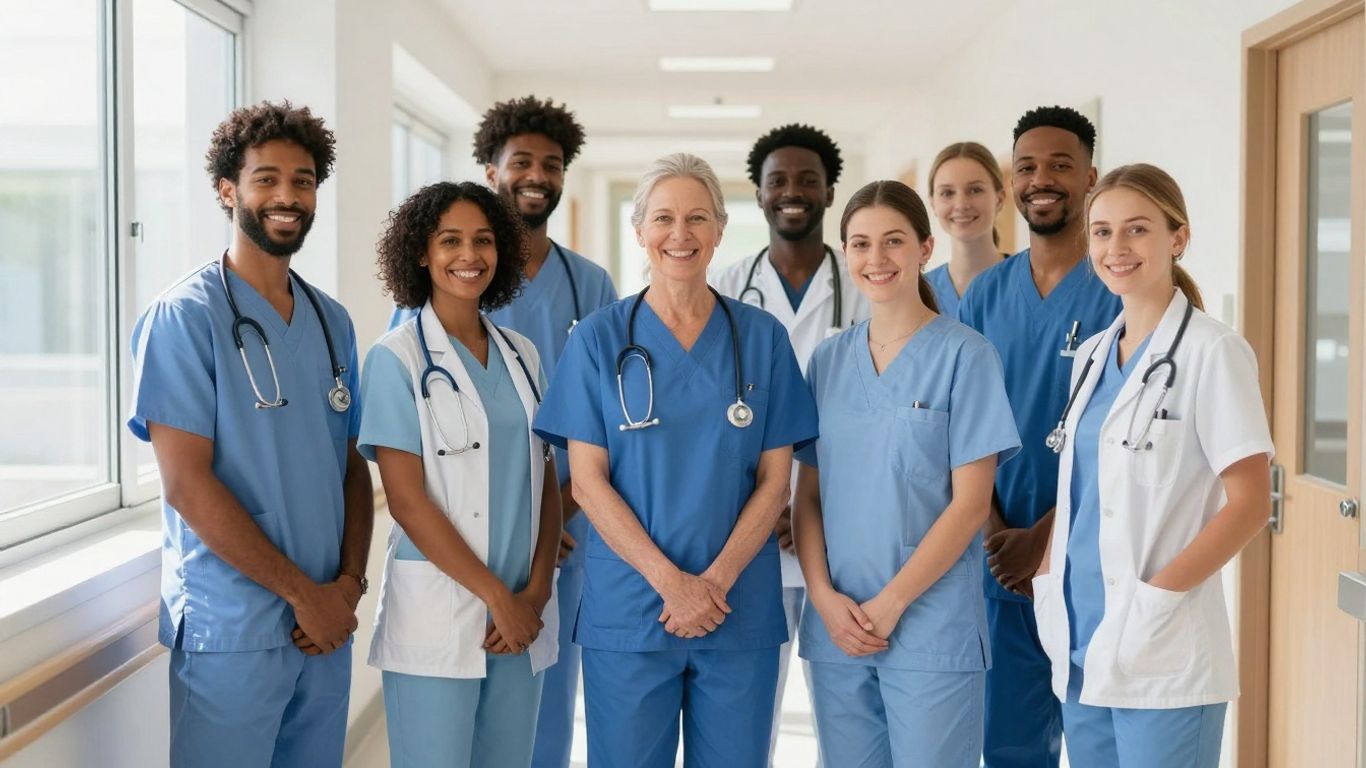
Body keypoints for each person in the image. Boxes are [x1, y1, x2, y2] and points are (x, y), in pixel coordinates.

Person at [533, 153, 818, 768]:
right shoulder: (598, 339)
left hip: (735, 605)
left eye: (696, 218)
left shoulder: (761, 338)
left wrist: (709, 588)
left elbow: (775, 484)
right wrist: (673, 586)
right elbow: (586, 481)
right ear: (639, 232)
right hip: (631, 607)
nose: (679, 234)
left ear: (719, 229)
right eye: (663, 218)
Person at [127, 101, 372, 767]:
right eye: (266, 179)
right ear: (227, 191)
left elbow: (349, 462)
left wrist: (349, 583)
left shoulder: (331, 321)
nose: (287, 196)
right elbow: (186, 484)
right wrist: (305, 596)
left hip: (324, 625)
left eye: (303, 179)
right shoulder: (184, 318)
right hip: (233, 628)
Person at [392, 96, 617, 768]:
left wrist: (564, 512)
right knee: (450, 733)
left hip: (566, 534)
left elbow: (606, 415)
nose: (537, 175)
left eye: (552, 164)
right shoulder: (431, 291)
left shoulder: (590, 285)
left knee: (542, 709)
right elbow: (406, 405)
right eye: (522, 161)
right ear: (492, 171)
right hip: (458, 538)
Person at [1033, 164, 1272, 767]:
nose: (1117, 248)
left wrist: (1155, 601)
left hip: (1162, 643)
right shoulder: (1089, 355)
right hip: (1082, 638)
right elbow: (1088, 488)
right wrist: (1046, 575)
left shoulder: (1212, 351)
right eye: (1102, 231)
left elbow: (1248, 503)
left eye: (1137, 230)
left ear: (1177, 238)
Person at [793, 180, 1020, 767]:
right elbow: (809, 495)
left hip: (929, 627)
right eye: (861, 244)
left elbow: (971, 505)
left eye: (893, 241)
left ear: (924, 249)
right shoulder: (828, 361)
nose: (876, 259)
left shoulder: (966, 356)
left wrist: (892, 604)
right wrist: (821, 595)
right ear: (845, 253)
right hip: (838, 625)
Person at [362, 181, 562, 768]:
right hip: (444, 611)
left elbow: (545, 476)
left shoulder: (523, 353)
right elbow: (406, 500)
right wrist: (498, 596)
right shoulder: (395, 359)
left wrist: (538, 590)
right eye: (450, 240)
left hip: (521, 614)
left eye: (483, 240)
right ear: (421, 253)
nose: (468, 255)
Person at [957, 105, 1122, 768]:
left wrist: (1046, 538)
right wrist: (996, 530)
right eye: (1026, 167)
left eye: (1060, 164)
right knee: (1009, 747)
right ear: (1011, 184)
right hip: (999, 564)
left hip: (1090, 561)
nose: (1041, 179)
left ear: (1090, 178)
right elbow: (960, 425)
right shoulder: (984, 296)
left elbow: (1125, 443)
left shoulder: (1118, 290)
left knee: (1099, 743)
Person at [710, 122, 867, 765]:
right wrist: (771, 501)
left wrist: (805, 504)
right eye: (778, 180)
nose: (793, 192)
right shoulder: (723, 285)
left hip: (844, 530)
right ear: (758, 193)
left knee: (848, 717)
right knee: (746, 720)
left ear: (830, 191)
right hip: (750, 534)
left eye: (808, 179)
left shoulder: (866, 284)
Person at [924, 141, 1010, 317]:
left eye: (975, 190)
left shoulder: (1027, 281)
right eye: (947, 193)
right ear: (933, 203)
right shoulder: (920, 293)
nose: (961, 205)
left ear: (999, 199)